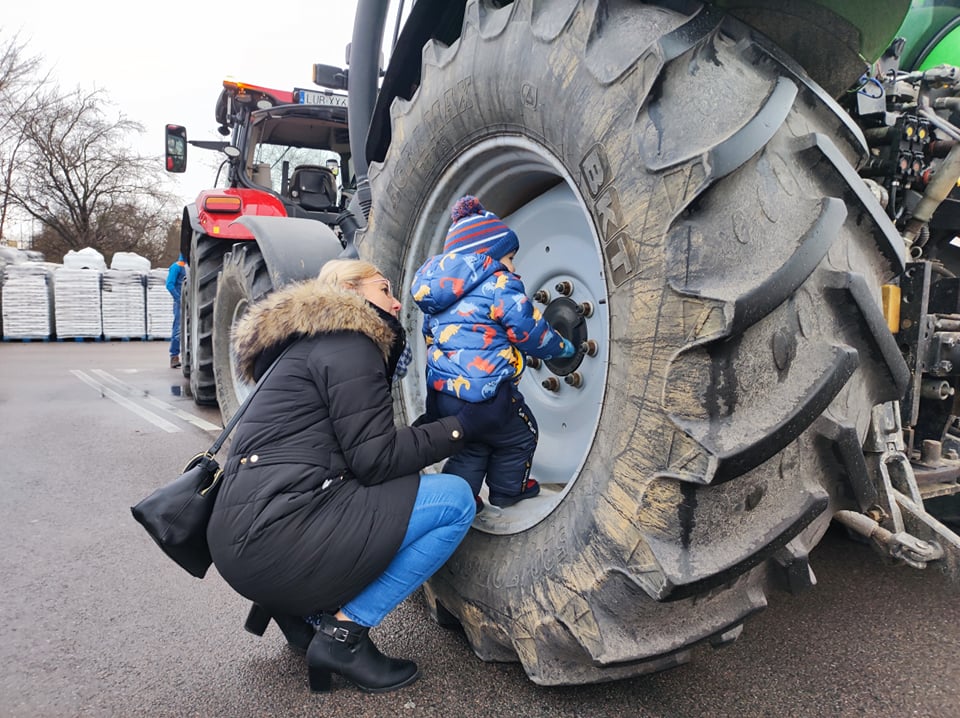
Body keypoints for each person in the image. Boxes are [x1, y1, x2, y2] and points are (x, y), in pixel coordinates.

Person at [206, 258, 512, 694]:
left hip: (244, 538)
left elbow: (354, 452)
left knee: (393, 496)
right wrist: (464, 427)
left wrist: (430, 427)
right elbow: (376, 460)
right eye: (384, 289)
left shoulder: (307, 344)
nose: (395, 301)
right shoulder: (352, 342)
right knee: (454, 501)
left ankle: (304, 614)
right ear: (351, 291)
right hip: (274, 540)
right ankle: (343, 637)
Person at [410, 195, 576, 512]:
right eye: (510, 258)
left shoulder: (439, 294)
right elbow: (527, 328)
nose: (514, 267)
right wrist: (559, 347)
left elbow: (430, 335)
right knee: (520, 436)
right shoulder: (499, 283)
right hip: (486, 393)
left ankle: (460, 496)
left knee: (472, 445)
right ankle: (507, 490)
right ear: (488, 255)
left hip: (446, 394)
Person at [165, 254, 185, 368]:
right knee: (178, 329)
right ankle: (174, 356)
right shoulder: (177, 266)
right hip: (180, 303)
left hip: (188, 300)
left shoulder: (189, 267)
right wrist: (179, 299)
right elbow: (169, 285)